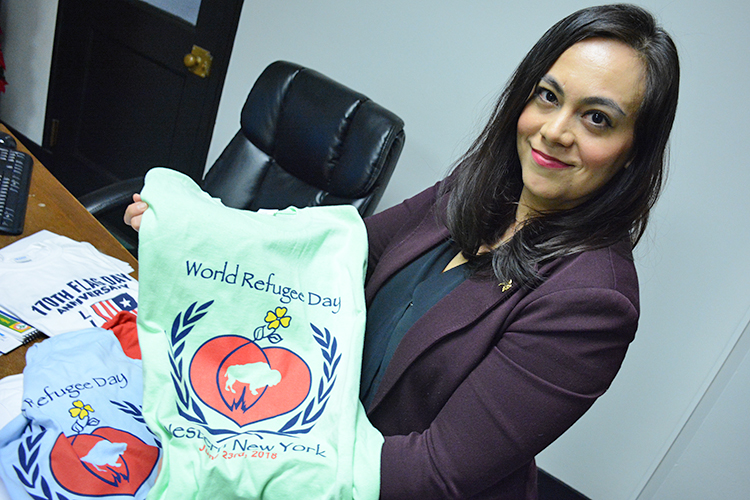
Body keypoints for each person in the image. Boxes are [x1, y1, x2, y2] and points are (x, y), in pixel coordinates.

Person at [125, 4, 679, 498]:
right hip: (312, 439)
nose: (554, 131)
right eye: (549, 96)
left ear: (634, 151)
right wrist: (199, 230)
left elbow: (438, 471)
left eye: (597, 118)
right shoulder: (478, 187)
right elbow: (335, 249)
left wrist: (262, 464)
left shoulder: (593, 301)